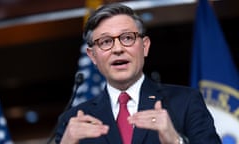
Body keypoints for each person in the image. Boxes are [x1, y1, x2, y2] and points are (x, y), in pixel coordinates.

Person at [55, 3, 221, 144]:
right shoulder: (73, 121)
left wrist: (175, 141)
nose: (118, 49)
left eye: (127, 38)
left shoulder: (185, 102)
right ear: (92, 56)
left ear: (145, 46)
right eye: (106, 42)